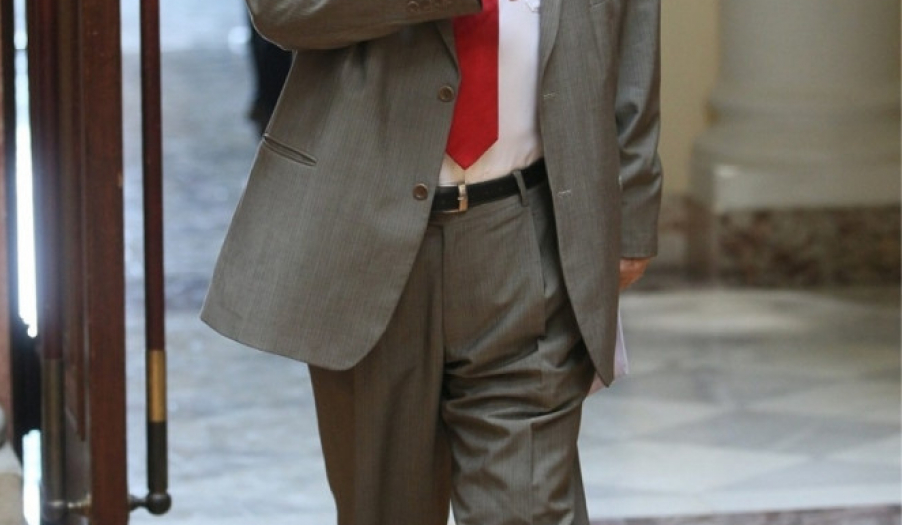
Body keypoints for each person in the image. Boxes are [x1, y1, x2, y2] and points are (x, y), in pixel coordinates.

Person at [202, 1, 662, 524]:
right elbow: (281, 11)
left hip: (527, 234)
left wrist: (632, 204)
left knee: (531, 508)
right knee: (387, 509)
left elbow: (634, 26)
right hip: (364, 235)